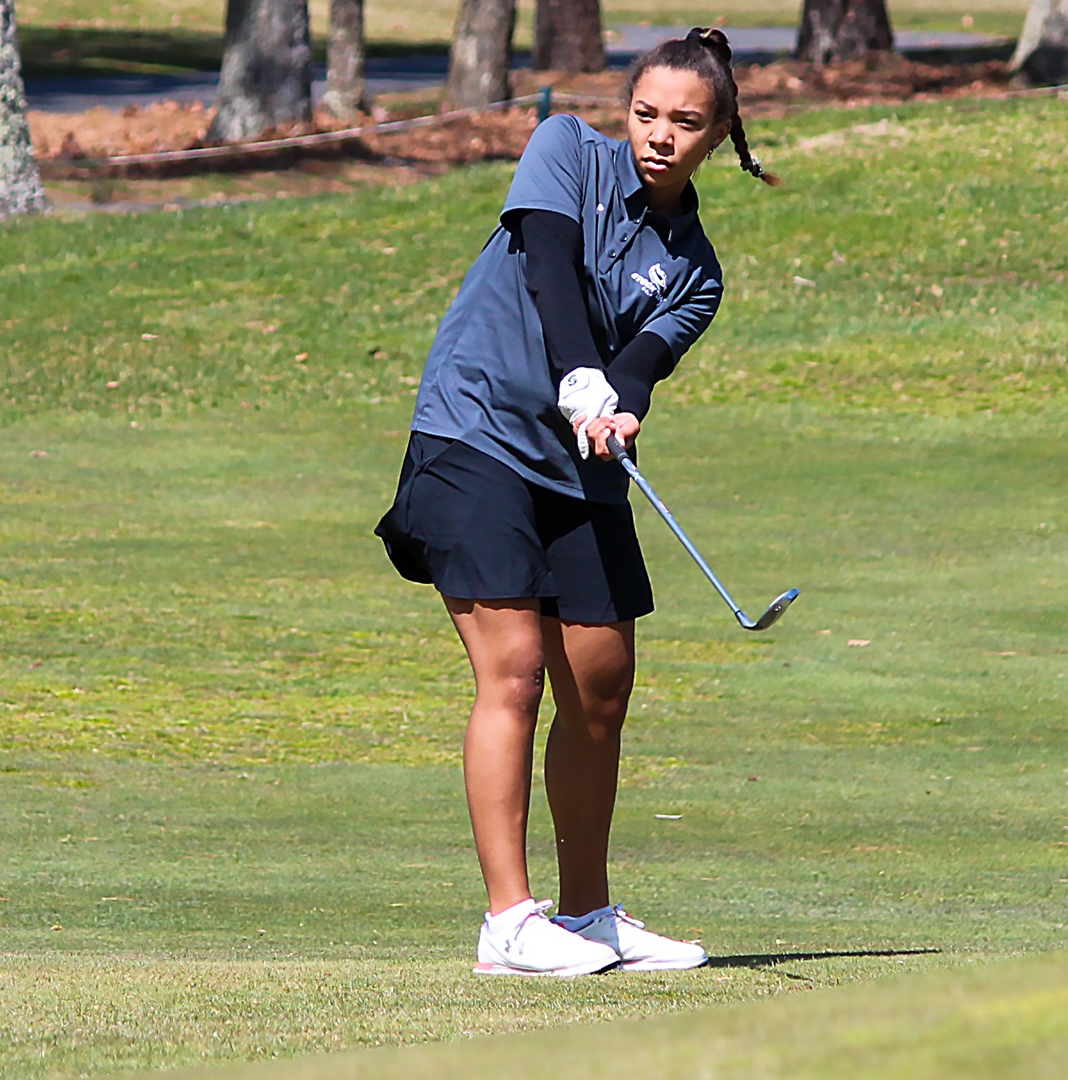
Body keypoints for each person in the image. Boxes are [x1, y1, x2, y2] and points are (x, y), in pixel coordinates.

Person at [375, 28, 779, 977]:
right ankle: (510, 923)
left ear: (719, 134)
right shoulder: (565, 150)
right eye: (647, 115)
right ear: (624, 111)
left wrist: (617, 404)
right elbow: (549, 268)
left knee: (600, 689)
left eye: (687, 123)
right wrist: (578, 375)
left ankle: (590, 915)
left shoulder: (698, 274)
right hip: (476, 435)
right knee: (512, 672)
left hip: (579, 462)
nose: (661, 137)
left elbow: (641, 366)